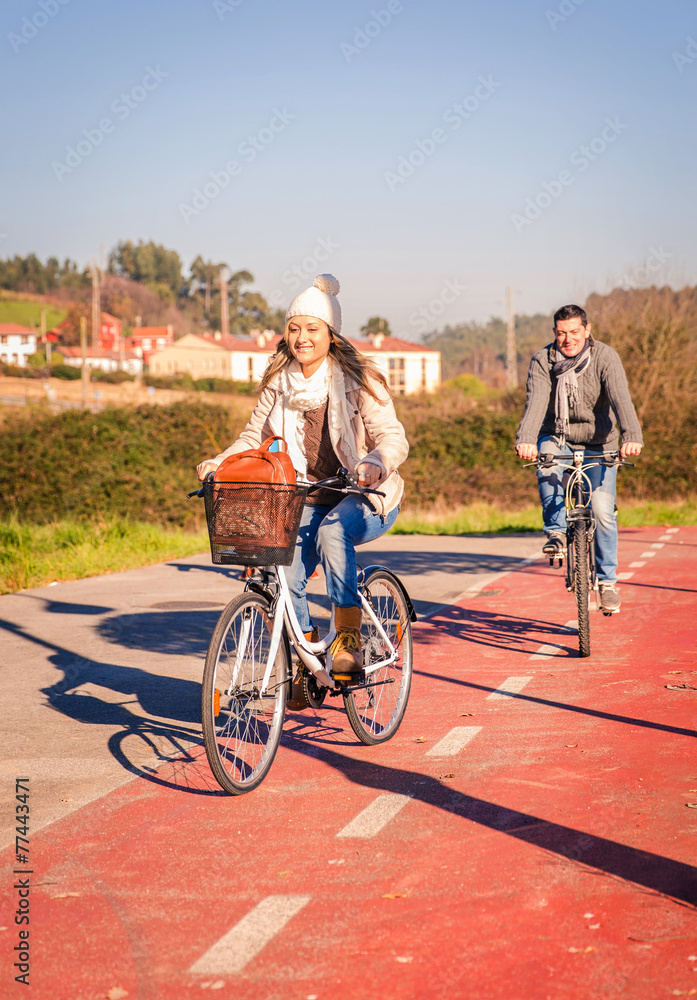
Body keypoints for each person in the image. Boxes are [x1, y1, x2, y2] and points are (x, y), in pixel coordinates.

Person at [197, 274, 409, 680]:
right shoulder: (278, 383)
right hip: (305, 497)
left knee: (333, 532)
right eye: (294, 329)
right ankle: (304, 659)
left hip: (365, 496)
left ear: (331, 334)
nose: (302, 338)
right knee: (284, 571)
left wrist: (375, 463)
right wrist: (220, 462)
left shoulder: (359, 380)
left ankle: (347, 638)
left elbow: (392, 437)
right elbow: (252, 437)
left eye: (312, 328)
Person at [515, 304, 643, 614]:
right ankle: (556, 534)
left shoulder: (605, 357)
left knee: (602, 510)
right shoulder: (543, 360)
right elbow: (536, 402)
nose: (568, 339)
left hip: (600, 443)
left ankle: (607, 583)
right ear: (554, 333)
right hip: (557, 436)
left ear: (587, 330)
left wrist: (631, 435)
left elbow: (620, 398)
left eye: (574, 332)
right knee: (546, 463)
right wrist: (526, 439)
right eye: (561, 333)